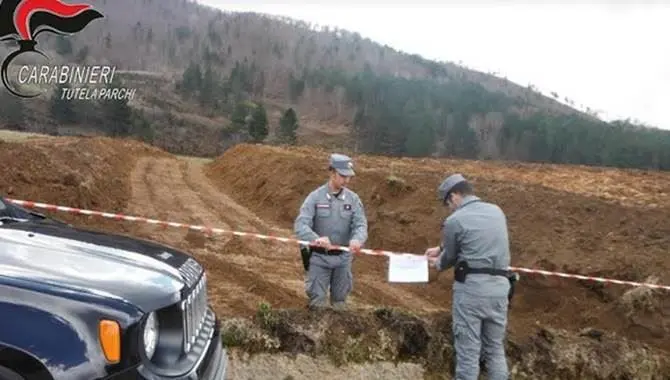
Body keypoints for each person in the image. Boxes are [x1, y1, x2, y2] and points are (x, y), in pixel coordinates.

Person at [425, 173, 513, 380]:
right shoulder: (496, 211)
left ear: (454, 196)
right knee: (494, 349)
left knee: (468, 352)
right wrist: (440, 248)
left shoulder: (454, 220)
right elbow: (476, 237)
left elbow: (451, 257)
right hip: (500, 288)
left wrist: (436, 263)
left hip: (472, 290)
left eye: (448, 203)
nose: (449, 208)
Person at [294, 153, 368, 311]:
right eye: (342, 176)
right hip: (319, 258)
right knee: (317, 304)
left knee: (340, 305)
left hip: (343, 259)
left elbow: (361, 225)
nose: (346, 180)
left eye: (349, 177)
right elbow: (301, 225)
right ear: (332, 173)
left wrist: (357, 239)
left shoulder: (353, 199)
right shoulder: (315, 197)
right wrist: (316, 238)